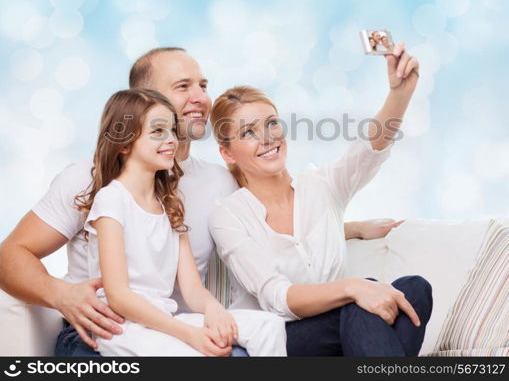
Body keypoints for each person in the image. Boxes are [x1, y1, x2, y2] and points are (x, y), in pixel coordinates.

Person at [0, 48, 240, 355]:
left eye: (203, 86)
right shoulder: (88, 179)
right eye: (183, 86)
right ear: (143, 99)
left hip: (178, 333)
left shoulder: (220, 182)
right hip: (105, 334)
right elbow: (10, 255)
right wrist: (60, 294)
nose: (201, 98)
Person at [208, 42, 432, 356]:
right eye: (248, 132)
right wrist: (353, 287)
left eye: (272, 123)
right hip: (283, 339)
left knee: (414, 288)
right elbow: (278, 297)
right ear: (227, 152)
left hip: (348, 329)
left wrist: (400, 92)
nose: (268, 138)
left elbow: (368, 151)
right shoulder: (229, 215)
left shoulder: (320, 187)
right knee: (361, 301)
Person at [78, 88, 286, 356]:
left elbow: (192, 289)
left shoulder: (170, 204)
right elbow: (118, 296)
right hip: (124, 328)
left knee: (269, 326)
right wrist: (191, 335)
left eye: (172, 131)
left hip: (165, 319)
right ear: (124, 143)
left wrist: (214, 311)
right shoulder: (111, 200)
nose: (171, 140)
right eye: (157, 131)